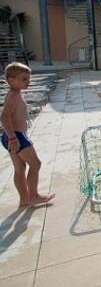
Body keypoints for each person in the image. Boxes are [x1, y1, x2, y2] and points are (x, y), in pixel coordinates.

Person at [1, 62, 55, 207]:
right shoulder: (13, 96)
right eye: (24, 79)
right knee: (36, 164)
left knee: (20, 168)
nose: (28, 82)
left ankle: (24, 200)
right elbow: (4, 117)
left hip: (9, 136)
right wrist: (13, 138)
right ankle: (34, 196)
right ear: (11, 80)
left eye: (28, 79)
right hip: (16, 136)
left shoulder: (14, 94)